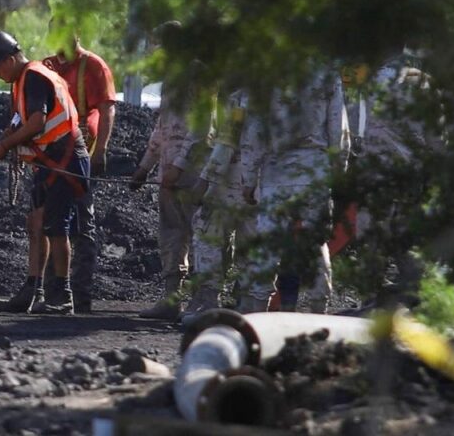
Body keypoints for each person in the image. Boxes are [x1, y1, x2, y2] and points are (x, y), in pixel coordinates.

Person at [0, 30, 90, 315]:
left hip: (63, 160)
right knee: (36, 224)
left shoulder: (33, 77)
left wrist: (3, 145)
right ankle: (33, 289)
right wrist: (5, 138)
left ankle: (61, 295)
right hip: (50, 161)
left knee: (56, 228)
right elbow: (22, 121)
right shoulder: (25, 79)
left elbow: (37, 123)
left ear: (11, 59)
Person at [239, 65, 349, 313]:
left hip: (276, 172)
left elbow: (254, 132)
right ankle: (319, 309)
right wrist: (339, 173)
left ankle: (259, 310)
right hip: (315, 171)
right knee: (315, 242)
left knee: (268, 243)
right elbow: (338, 129)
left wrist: (248, 178)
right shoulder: (326, 72)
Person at [129, 24, 215, 320]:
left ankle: (202, 301)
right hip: (170, 174)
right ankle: (171, 300)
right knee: (171, 237)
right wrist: (144, 167)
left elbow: (203, 128)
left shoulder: (198, 76)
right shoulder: (171, 81)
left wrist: (178, 167)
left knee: (201, 237)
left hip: (193, 173)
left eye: (156, 45)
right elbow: (162, 128)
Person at [42, 24, 116, 312]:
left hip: (81, 155)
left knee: (82, 223)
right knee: (52, 221)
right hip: (50, 155)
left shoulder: (93, 66)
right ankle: (53, 291)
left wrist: (101, 151)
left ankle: (80, 292)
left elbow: (108, 108)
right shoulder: (48, 67)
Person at [182, 88, 261, 320]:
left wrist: (205, 181)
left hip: (231, 183)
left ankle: (208, 302)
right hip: (265, 183)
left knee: (208, 234)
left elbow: (227, 141)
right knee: (254, 244)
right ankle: (250, 305)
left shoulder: (241, 99)